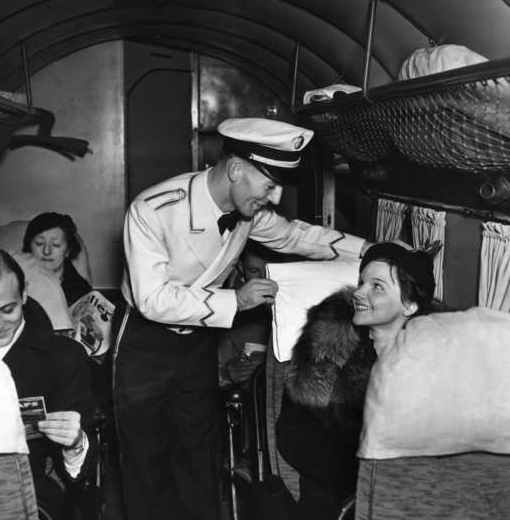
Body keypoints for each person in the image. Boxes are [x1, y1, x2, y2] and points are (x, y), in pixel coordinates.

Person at [113, 117, 371, 520]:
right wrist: (235, 300)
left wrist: (373, 252)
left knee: (200, 450)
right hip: (145, 341)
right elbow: (153, 300)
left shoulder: (246, 211)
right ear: (235, 170)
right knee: (146, 456)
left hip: (198, 339)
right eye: (269, 184)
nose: (276, 195)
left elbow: (297, 236)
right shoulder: (152, 210)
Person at [276, 241, 441, 519]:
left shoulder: (435, 355)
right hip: (333, 493)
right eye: (361, 282)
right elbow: (293, 433)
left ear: (410, 305)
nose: (360, 293)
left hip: (411, 491)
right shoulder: (325, 344)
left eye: (377, 287)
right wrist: (359, 481)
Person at [0, 248, 94, 519]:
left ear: (24, 295)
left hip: (29, 484)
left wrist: (74, 443)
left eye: (7, 310)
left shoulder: (63, 358)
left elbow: (73, 475)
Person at [217, 239, 272, 389]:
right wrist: (228, 373)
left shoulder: (300, 303)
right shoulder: (226, 308)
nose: (263, 279)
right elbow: (209, 371)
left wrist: (270, 365)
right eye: (254, 271)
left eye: (270, 270)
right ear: (241, 268)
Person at [22, 212, 93, 306]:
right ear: (29, 246)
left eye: (56, 245)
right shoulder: (17, 281)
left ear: (68, 250)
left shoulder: (79, 288)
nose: (46, 251)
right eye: (39, 243)